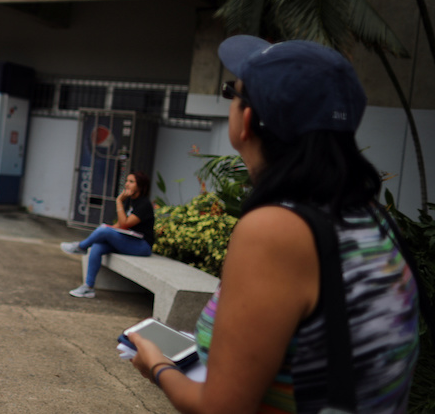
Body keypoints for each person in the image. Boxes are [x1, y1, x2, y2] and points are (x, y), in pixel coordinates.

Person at [127, 36, 418, 413]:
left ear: (246, 120)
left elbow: (221, 408)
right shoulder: (366, 215)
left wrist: (158, 364)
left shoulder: (277, 230)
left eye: (232, 90)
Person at [59, 171, 154, 298]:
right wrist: (110, 229)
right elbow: (120, 225)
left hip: (142, 246)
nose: (127, 184)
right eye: (127, 181)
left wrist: (119, 201)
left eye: (131, 182)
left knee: (104, 230)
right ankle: (88, 287)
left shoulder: (144, 204)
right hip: (128, 240)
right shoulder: (130, 201)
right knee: (98, 246)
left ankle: (81, 247)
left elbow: (125, 224)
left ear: (141, 186)